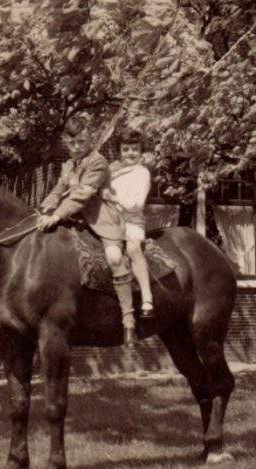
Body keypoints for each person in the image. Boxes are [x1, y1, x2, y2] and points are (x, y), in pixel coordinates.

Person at [36, 118, 135, 345]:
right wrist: (42, 210)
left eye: (81, 141)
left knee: (114, 258)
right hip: (74, 221)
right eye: (72, 143)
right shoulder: (68, 165)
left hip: (102, 221)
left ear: (90, 138)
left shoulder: (98, 162)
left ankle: (128, 319)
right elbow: (58, 190)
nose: (77, 147)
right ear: (65, 143)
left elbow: (81, 195)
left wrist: (56, 215)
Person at [101, 127, 154, 333]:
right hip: (110, 220)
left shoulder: (142, 173)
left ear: (141, 151)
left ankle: (147, 298)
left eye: (135, 149)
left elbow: (137, 204)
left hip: (132, 220)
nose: (130, 153)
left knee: (133, 248)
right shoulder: (112, 169)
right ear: (120, 151)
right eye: (126, 149)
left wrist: (114, 198)